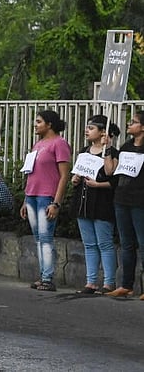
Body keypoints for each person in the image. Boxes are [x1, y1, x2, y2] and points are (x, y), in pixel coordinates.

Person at [21, 110, 71, 292]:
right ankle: (43, 274)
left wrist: (56, 202)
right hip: (32, 195)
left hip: (47, 196)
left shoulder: (60, 143)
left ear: (49, 124)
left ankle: (48, 277)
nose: (35, 124)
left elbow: (64, 176)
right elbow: (31, 172)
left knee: (45, 237)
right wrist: (25, 199)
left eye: (39, 121)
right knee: (38, 238)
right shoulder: (38, 144)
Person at [70, 115, 118, 295]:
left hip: (102, 203)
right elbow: (78, 174)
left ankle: (109, 282)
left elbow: (111, 175)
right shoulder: (84, 151)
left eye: (91, 128)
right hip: (84, 202)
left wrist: (107, 148)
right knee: (89, 244)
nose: (87, 130)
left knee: (104, 243)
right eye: (87, 127)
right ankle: (91, 282)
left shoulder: (113, 152)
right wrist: (75, 180)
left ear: (103, 132)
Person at [105, 110, 144, 299]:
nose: (129, 124)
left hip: (140, 201)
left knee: (142, 243)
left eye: (134, 122)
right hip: (122, 198)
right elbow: (111, 171)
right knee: (126, 243)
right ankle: (126, 285)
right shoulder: (126, 146)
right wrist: (108, 148)